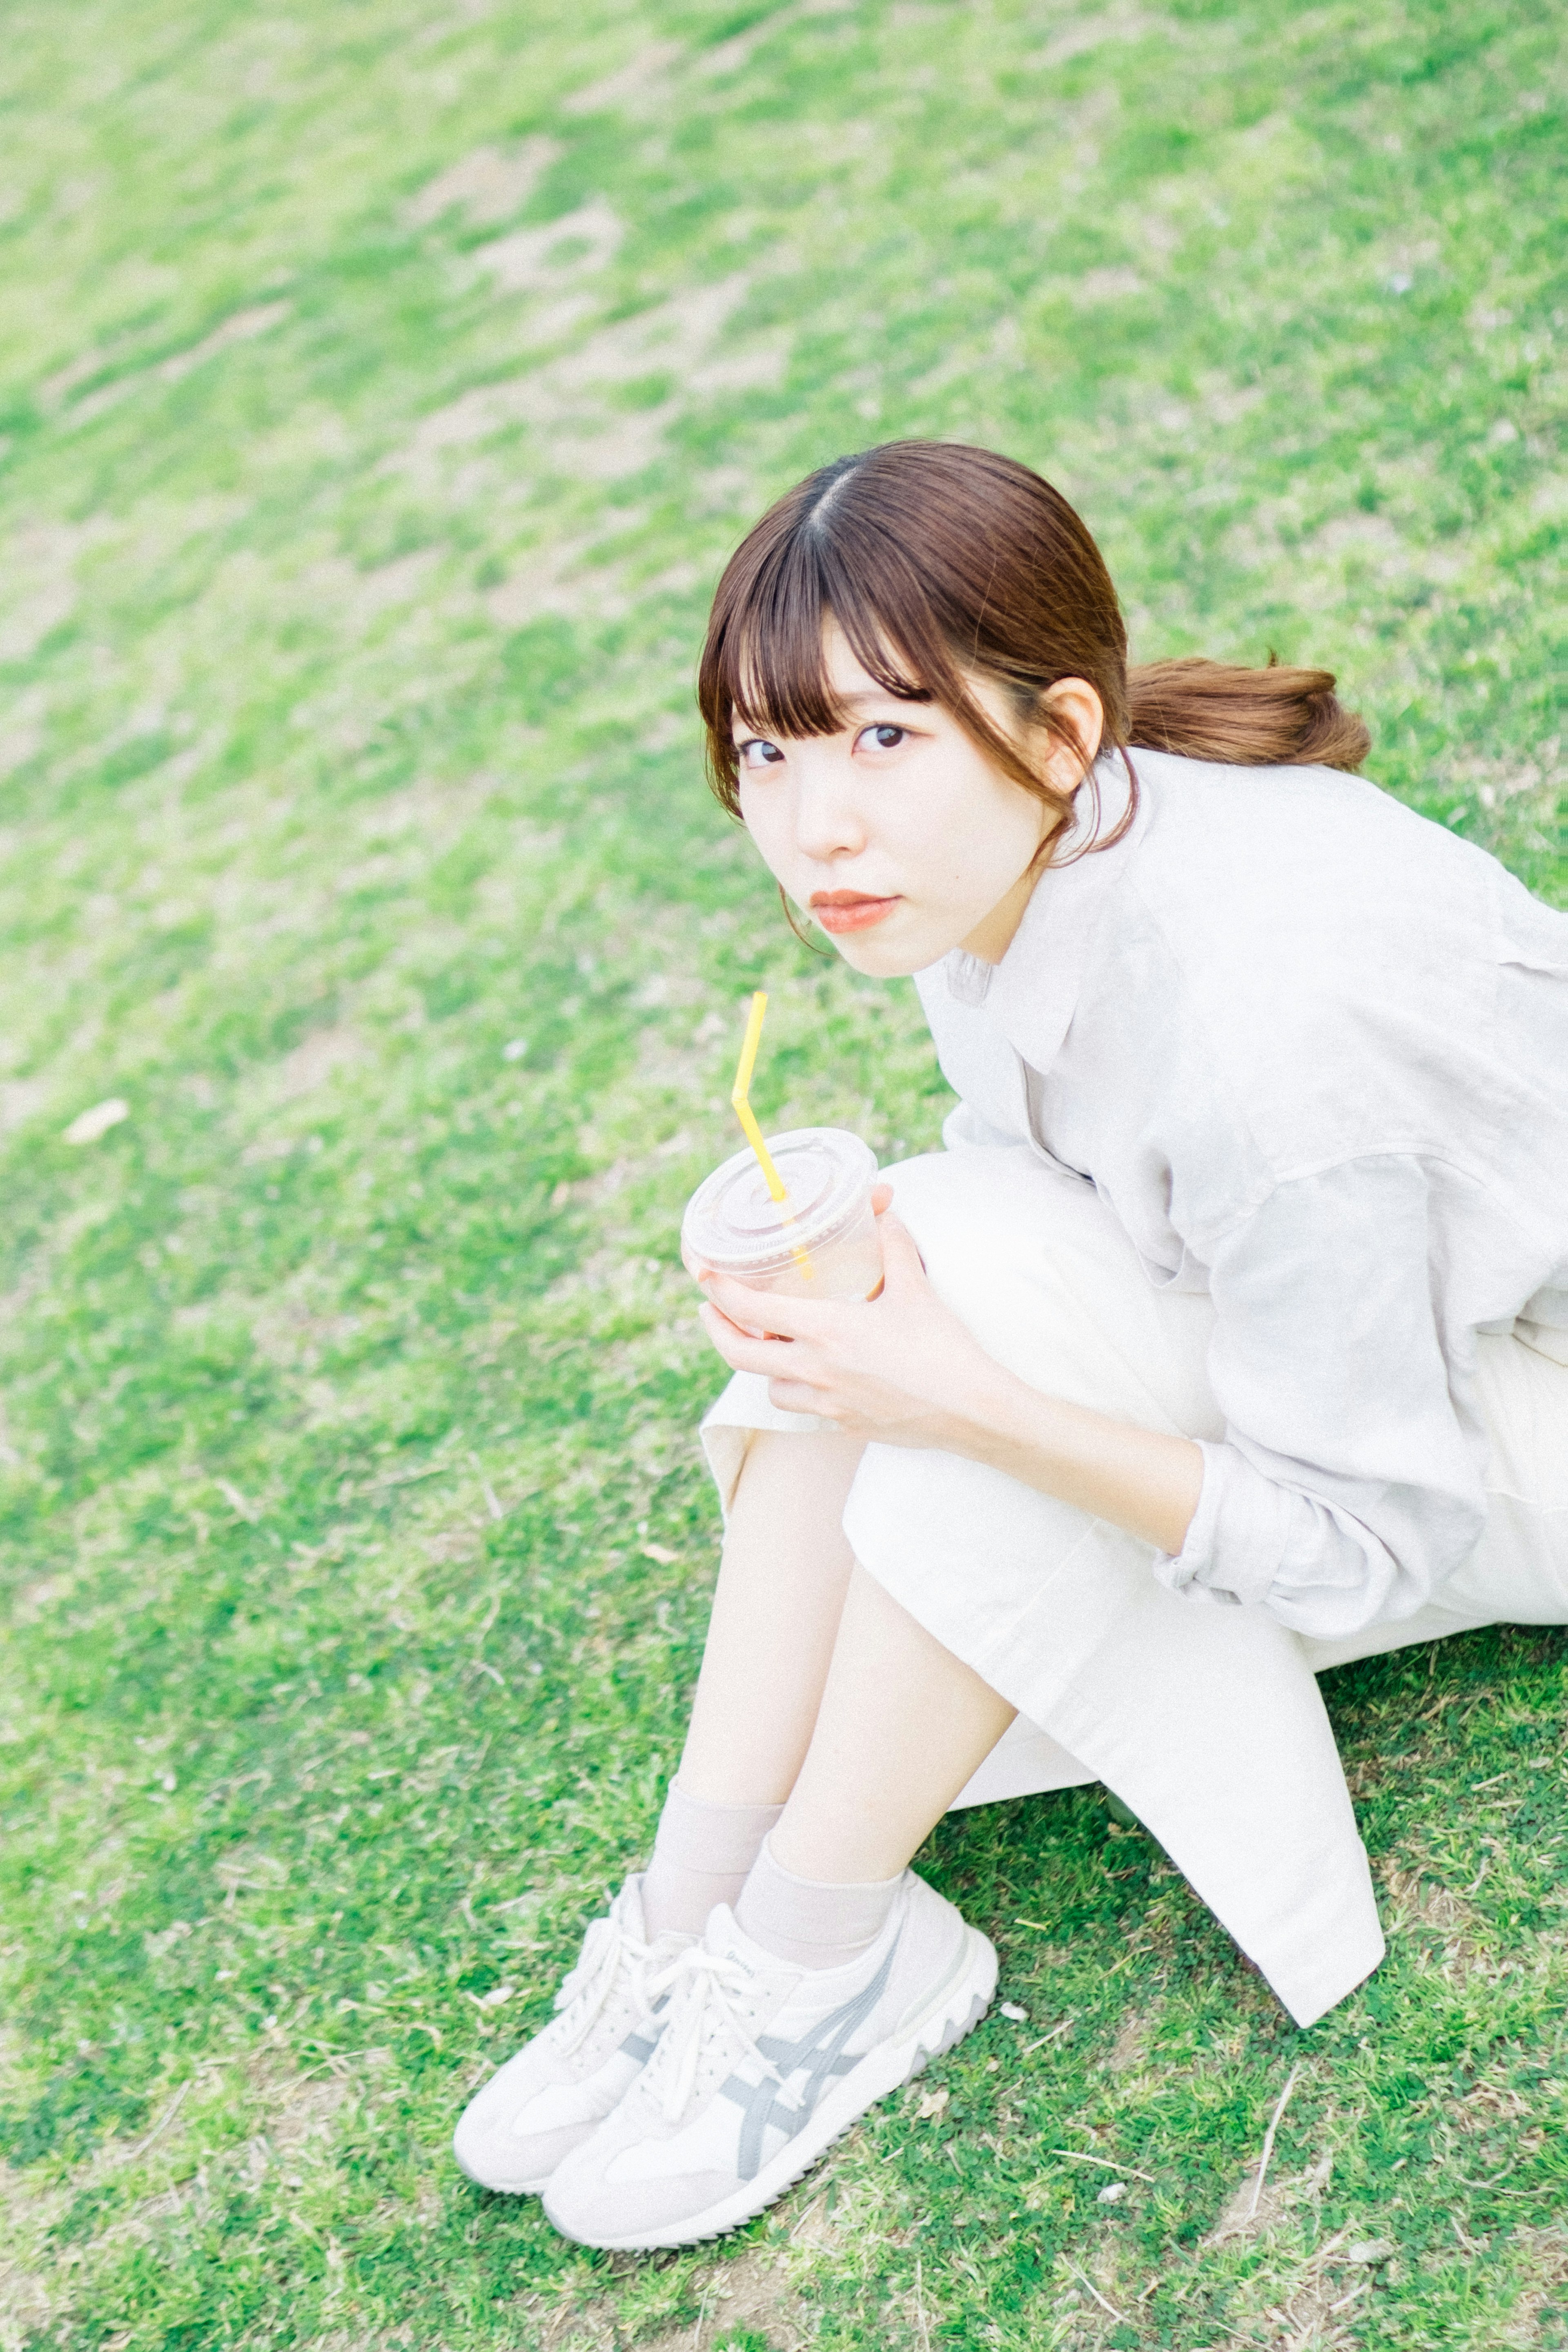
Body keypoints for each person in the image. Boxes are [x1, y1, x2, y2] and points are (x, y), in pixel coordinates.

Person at [452, 441, 1568, 2253]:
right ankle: (703, 1906)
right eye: (767, 753)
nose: (814, 828)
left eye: (883, 738)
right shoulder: (1036, 856)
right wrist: (914, 1367)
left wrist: (966, 1404)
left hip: (1523, 1412)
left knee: (953, 1354)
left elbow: (1371, 1542)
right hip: (1400, 1327)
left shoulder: (1266, 1039)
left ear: (1056, 733)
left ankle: (825, 1954)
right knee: (906, 1271)